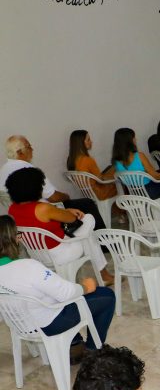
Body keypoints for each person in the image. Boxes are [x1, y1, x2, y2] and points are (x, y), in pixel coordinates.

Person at [0, 215, 115, 361]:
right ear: (10, 240)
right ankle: (93, 350)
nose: (20, 238)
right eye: (17, 234)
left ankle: (74, 344)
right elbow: (67, 293)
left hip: (23, 325)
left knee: (54, 295)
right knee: (106, 296)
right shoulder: (28, 266)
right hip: (49, 324)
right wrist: (86, 287)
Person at [6, 168, 114, 285]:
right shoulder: (42, 208)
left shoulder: (12, 210)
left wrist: (67, 210)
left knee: (87, 236)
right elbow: (71, 219)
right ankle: (104, 275)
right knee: (88, 220)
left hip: (37, 254)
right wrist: (69, 212)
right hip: (60, 254)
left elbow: (48, 216)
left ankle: (102, 276)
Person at [2, 135, 107, 228]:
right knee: (87, 203)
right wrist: (66, 196)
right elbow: (54, 197)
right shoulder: (28, 170)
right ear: (20, 152)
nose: (32, 149)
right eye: (29, 147)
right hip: (42, 213)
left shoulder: (3, 170)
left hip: (21, 217)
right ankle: (104, 241)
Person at [111, 127, 160, 209]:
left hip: (133, 193)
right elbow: (155, 176)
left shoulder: (115, 162)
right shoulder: (139, 156)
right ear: (129, 141)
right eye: (134, 137)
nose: (136, 139)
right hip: (149, 192)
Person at [67, 130, 118, 202]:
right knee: (117, 171)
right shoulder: (88, 160)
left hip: (87, 193)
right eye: (88, 139)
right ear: (81, 143)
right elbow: (100, 179)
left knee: (110, 169)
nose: (91, 141)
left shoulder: (70, 160)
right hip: (99, 193)